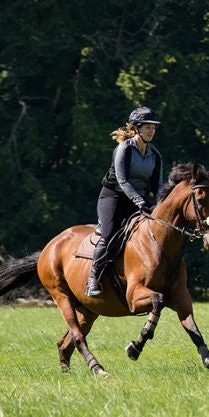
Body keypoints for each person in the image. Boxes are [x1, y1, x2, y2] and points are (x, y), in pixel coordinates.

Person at [86, 106, 164, 296]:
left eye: (154, 128)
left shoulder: (155, 154)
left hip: (139, 200)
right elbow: (122, 181)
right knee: (109, 234)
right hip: (113, 196)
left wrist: (161, 205)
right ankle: (93, 279)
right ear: (137, 128)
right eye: (148, 127)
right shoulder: (124, 149)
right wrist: (139, 201)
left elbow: (158, 185)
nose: (152, 131)